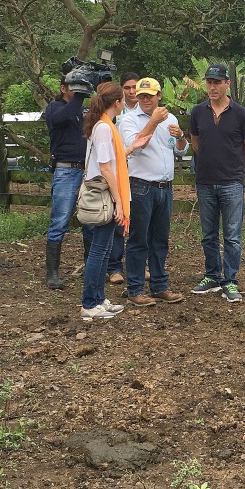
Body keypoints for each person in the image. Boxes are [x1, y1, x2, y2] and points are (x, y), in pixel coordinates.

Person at [80, 82, 150, 320]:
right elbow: (106, 168)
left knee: (104, 248)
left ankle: (99, 298)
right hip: (104, 194)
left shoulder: (104, 125)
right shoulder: (104, 128)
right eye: (123, 98)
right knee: (99, 251)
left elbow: (111, 158)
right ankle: (89, 302)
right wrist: (119, 202)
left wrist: (130, 148)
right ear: (117, 102)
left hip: (106, 193)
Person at [118, 77, 188, 307]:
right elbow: (134, 147)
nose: (145, 100)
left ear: (159, 96)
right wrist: (153, 123)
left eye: (150, 95)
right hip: (141, 185)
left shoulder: (171, 118)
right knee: (139, 239)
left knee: (160, 239)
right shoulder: (128, 120)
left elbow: (180, 151)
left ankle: (159, 286)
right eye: (141, 96)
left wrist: (180, 137)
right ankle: (136, 288)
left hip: (165, 187)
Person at [189, 64, 245, 303]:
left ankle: (230, 279)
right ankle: (212, 275)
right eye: (209, 82)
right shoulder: (198, 112)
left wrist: (234, 167)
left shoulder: (241, 114)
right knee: (208, 234)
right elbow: (195, 142)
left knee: (232, 234)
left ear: (227, 83)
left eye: (217, 82)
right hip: (205, 181)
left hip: (231, 182)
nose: (212, 87)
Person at [44, 78, 91, 289]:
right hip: (65, 169)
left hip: (87, 170)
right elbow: (65, 116)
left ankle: (91, 266)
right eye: (73, 87)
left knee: (91, 219)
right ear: (63, 89)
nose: (78, 90)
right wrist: (80, 95)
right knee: (60, 221)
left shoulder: (83, 110)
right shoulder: (55, 108)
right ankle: (52, 273)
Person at [107, 71, 141, 286]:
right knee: (118, 219)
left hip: (139, 171)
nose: (131, 92)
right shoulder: (115, 112)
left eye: (134, 87)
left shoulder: (147, 110)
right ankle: (114, 267)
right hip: (118, 169)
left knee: (139, 221)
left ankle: (138, 265)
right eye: (127, 88)